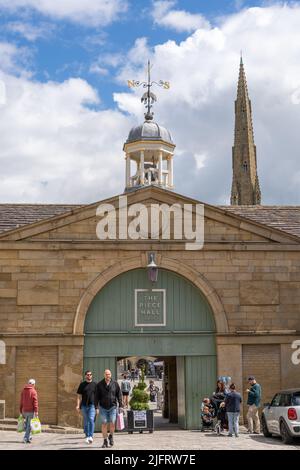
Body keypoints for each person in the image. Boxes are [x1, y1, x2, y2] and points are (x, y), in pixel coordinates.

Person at [96, 369, 123, 448]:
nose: (108, 376)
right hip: (103, 407)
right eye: (106, 374)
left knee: (112, 422)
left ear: (111, 375)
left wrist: (121, 405)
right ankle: (105, 441)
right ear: (104, 375)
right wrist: (96, 407)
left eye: (109, 374)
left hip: (113, 407)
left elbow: (119, 395)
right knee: (104, 423)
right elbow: (96, 397)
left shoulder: (115, 384)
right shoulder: (99, 384)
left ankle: (111, 436)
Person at [76, 370, 98, 444]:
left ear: (92, 376)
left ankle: (90, 436)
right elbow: (79, 396)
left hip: (92, 405)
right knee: (86, 421)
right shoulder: (82, 385)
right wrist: (78, 405)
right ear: (85, 376)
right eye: (88, 375)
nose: (89, 376)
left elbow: (97, 397)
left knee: (91, 420)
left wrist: (97, 407)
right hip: (84, 406)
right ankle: (87, 434)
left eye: (90, 374)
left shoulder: (95, 384)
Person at [19, 378, 38, 444]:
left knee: (27, 424)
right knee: (29, 425)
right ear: (33, 384)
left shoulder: (23, 390)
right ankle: (25, 438)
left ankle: (29, 437)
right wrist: (36, 412)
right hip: (30, 411)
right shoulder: (33, 391)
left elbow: (21, 401)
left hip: (24, 410)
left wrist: (20, 410)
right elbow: (35, 402)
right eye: (34, 384)